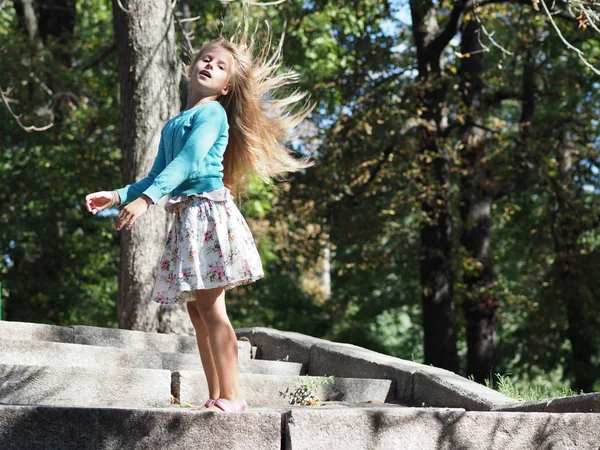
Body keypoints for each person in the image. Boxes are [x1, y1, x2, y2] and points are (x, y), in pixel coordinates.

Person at [85, 29, 312, 412]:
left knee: (211, 306)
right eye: (206, 59)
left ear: (226, 87)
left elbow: (188, 162)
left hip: (207, 214)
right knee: (196, 309)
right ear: (191, 70)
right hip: (187, 217)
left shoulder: (212, 114)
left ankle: (234, 396)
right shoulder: (175, 123)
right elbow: (158, 172)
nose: (210, 65)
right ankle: (217, 394)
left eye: (221, 65)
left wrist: (145, 202)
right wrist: (119, 195)